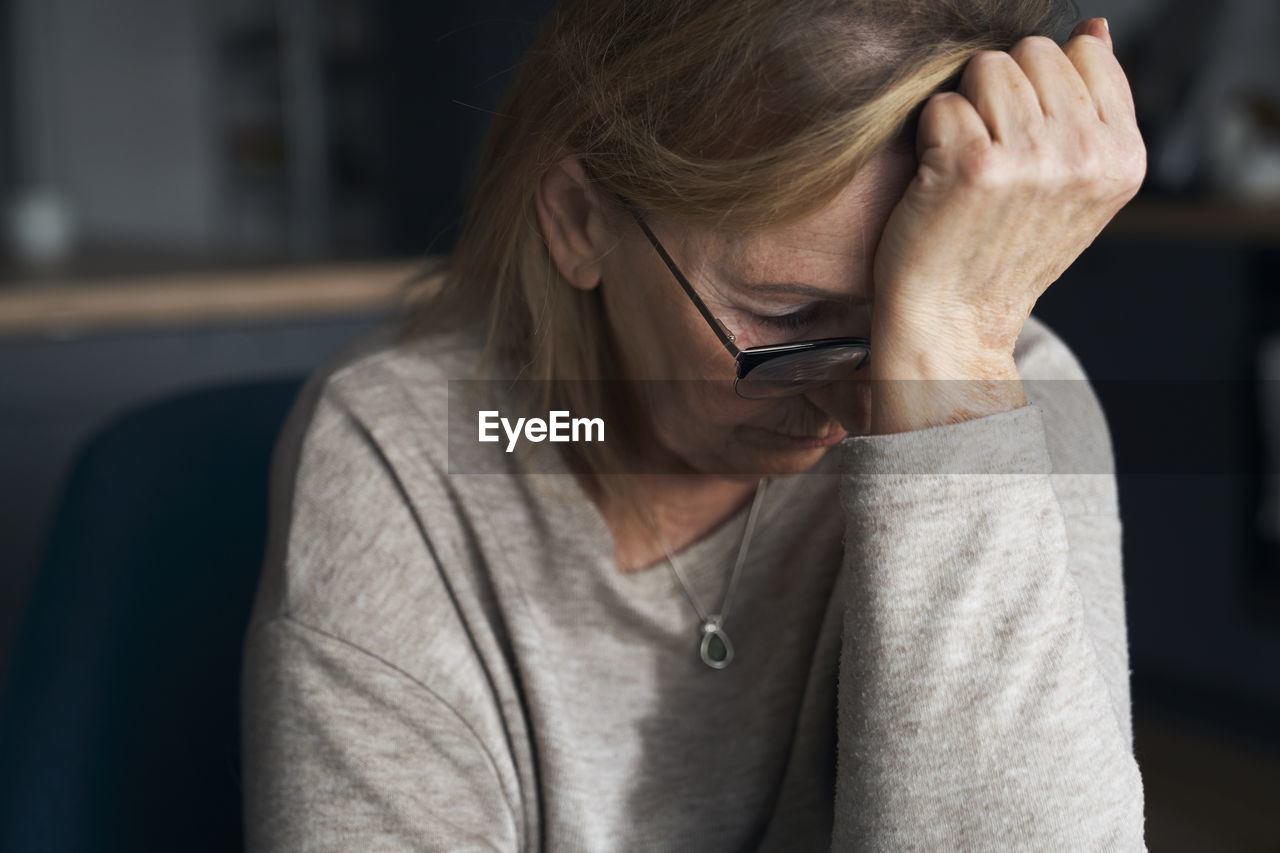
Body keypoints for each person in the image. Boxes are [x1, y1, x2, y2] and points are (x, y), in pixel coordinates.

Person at [240, 0, 1148, 849]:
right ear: (580, 218)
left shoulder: (1004, 386)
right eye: (789, 318)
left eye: (920, 314)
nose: (858, 403)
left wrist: (954, 385)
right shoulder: (412, 447)